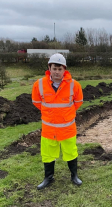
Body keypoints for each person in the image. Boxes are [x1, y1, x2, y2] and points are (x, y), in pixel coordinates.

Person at [32, 53, 84, 190]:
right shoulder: (39, 84)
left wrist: (64, 115)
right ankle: (48, 178)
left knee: (71, 152)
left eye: (60, 69)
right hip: (49, 129)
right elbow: (36, 102)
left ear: (64, 70)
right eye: (54, 68)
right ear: (49, 68)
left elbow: (78, 102)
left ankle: (74, 176)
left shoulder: (74, 85)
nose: (57, 72)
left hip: (67, 128)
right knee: (48, 154)